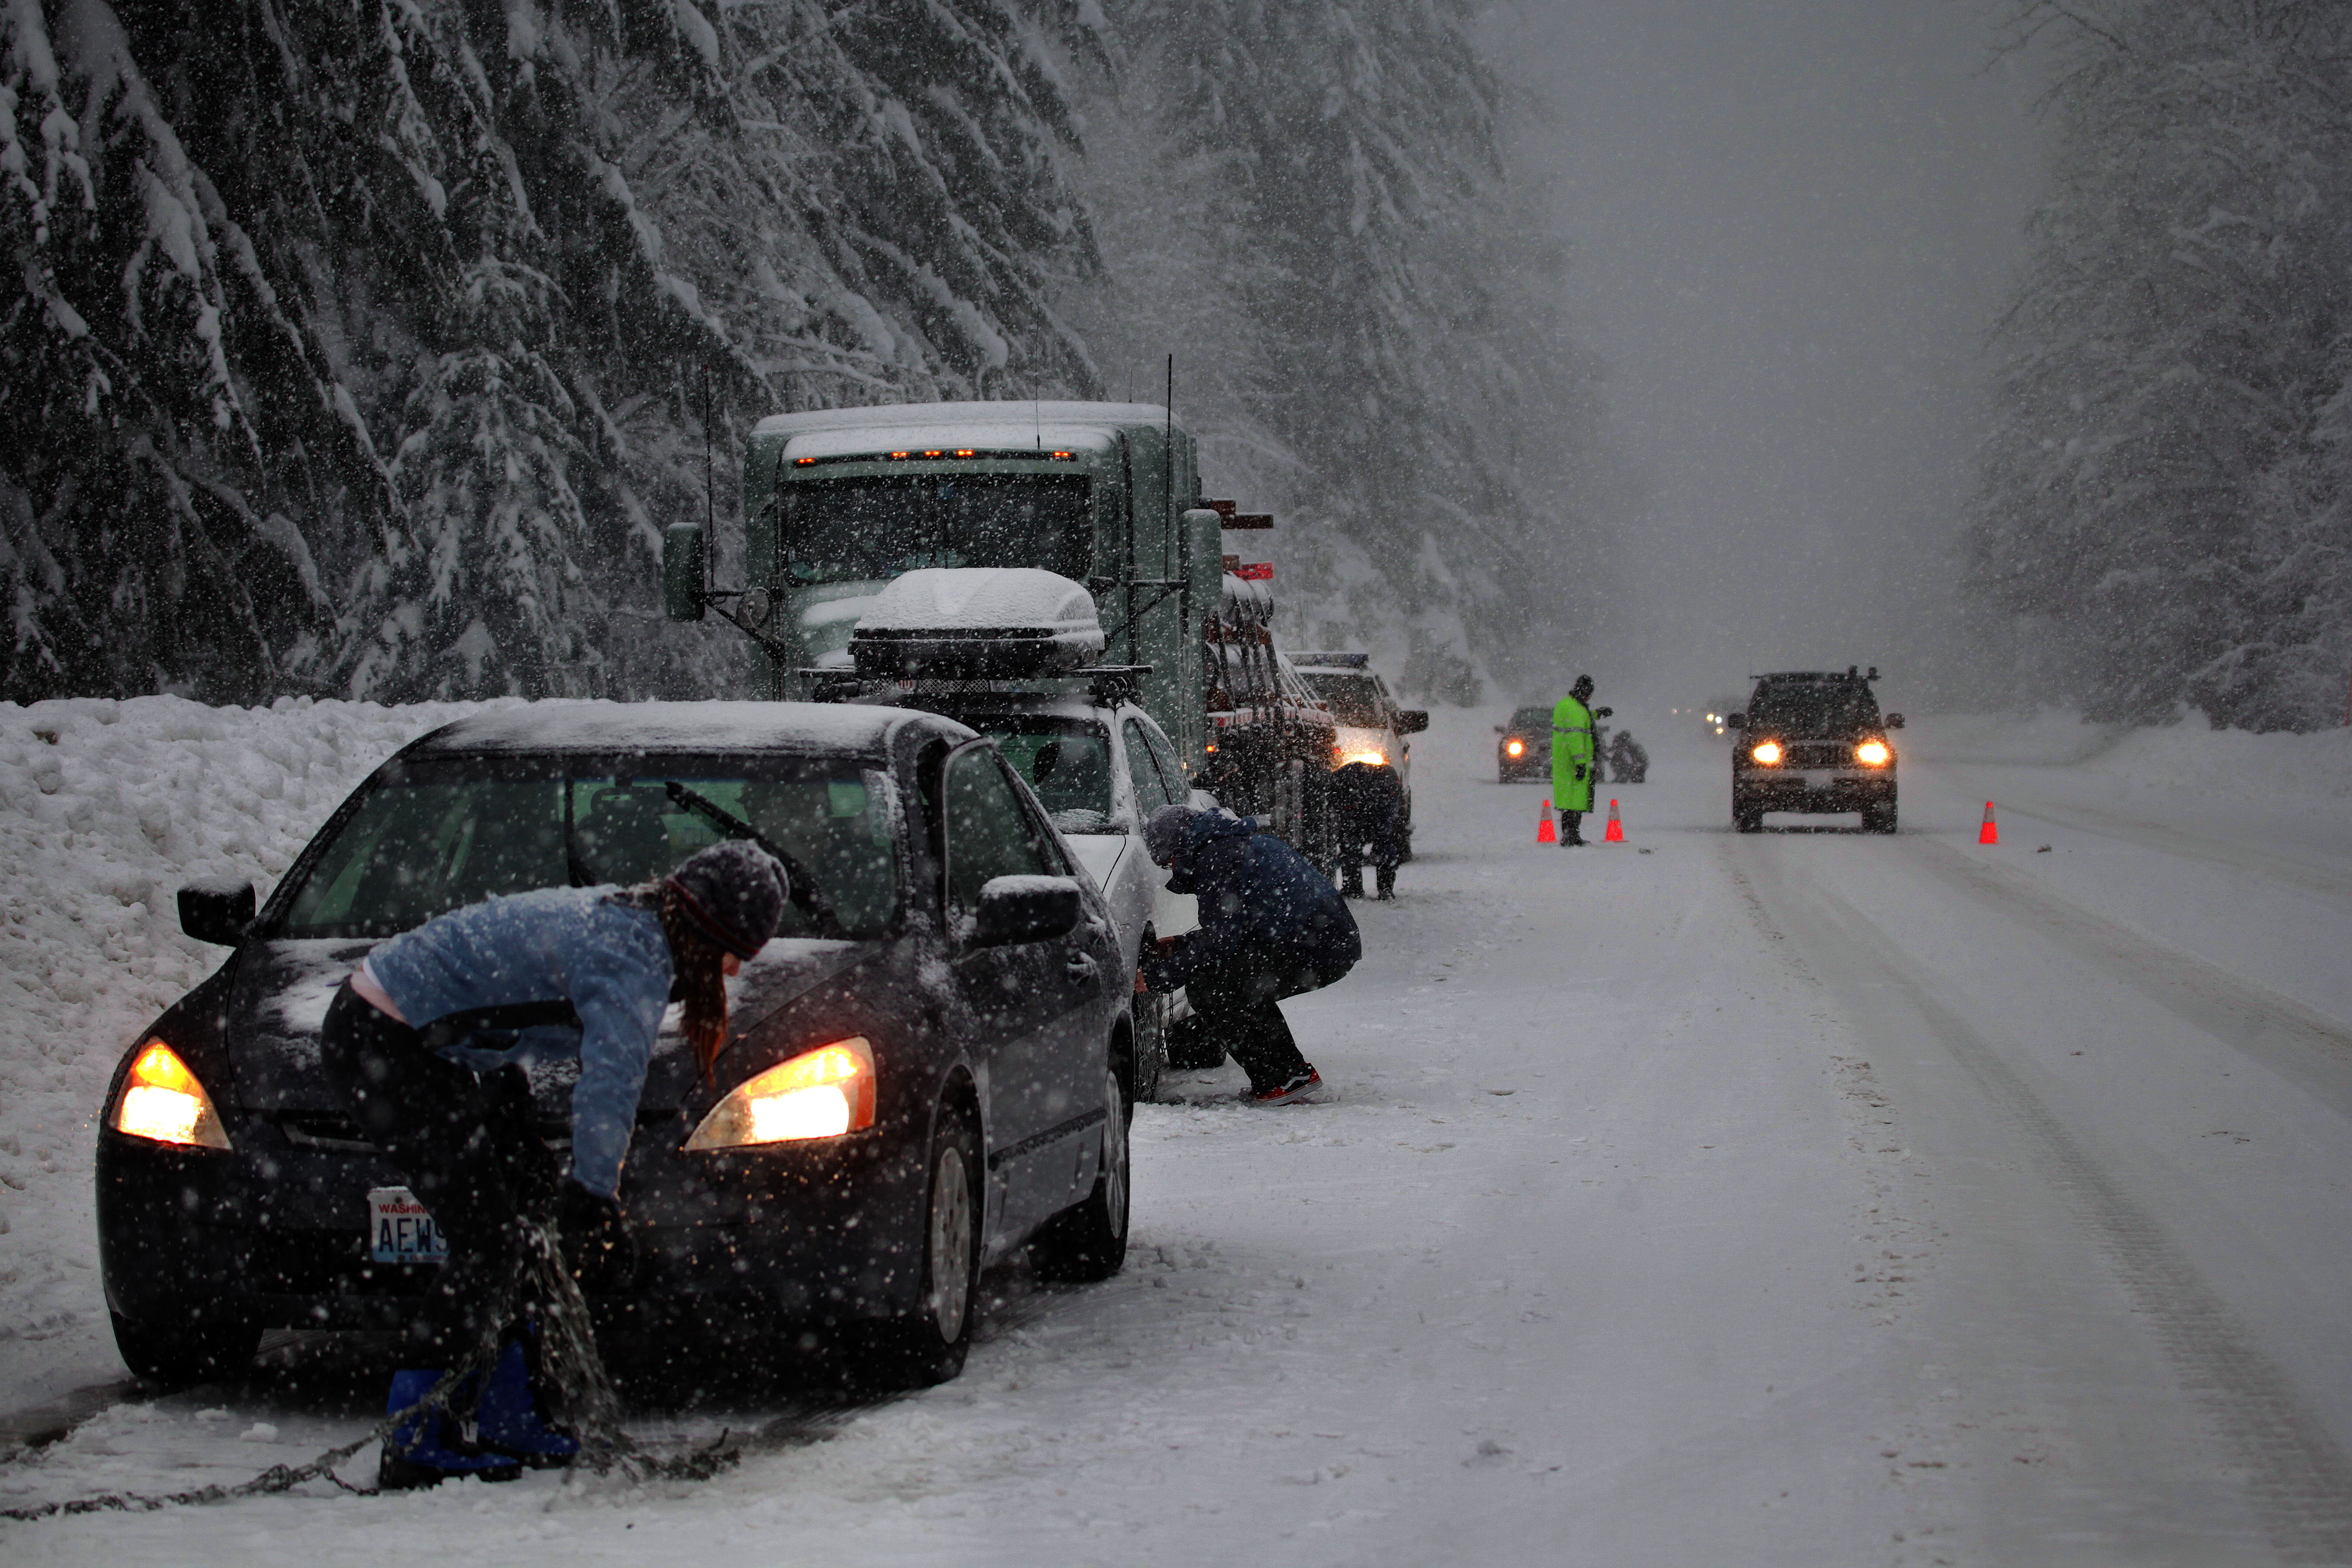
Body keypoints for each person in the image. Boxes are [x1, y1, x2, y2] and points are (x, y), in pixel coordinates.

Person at [322, 840, 786, 1488]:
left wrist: (511, 1116)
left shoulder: (625, 920)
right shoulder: (634, 955)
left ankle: (510, 1411)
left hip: (435, 1048)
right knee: (487, 1238)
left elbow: (505, 1000)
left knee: (521, 1222)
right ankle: (416, 1436)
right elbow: (611, 1082)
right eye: (733, 955)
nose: (730, 974)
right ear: (707, 933)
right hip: (384, 1042)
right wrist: (594, 1194)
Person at [1137, 806, 1360, 1103]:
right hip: (1324, 940)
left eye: (1169, 860)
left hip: (1319, 946)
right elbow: (1238, 929)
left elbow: (1222, 941)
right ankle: (1287, 1074)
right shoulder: (1228, 846)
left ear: (1179, 846)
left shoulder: (1215, 859)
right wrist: (1181, 944)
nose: (1173, 868)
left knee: (1212, 986)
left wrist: (1157, 976)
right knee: (1236, 979)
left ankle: (1284, 1077)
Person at [1328, 760, 1405, 900]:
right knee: (1350, 845)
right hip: (1360, 803)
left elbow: (1386, 819)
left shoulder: (1384, 786)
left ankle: (1385, 888)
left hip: (1381, 799)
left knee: (1383, 843)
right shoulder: (1337, 785)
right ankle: (1353, 888)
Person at [1551, 675, 1600, 845]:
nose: (1589, 698)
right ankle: (1571, 836)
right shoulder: (1575, 709)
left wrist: (1597, 714)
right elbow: (1576, 737)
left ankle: (1571, 835)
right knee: (1573, 801)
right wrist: (1580, 763)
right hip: (1573, 762)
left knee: (1571, 801)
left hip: (1565, 761)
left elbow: (1582, 718)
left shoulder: (1570, 705)